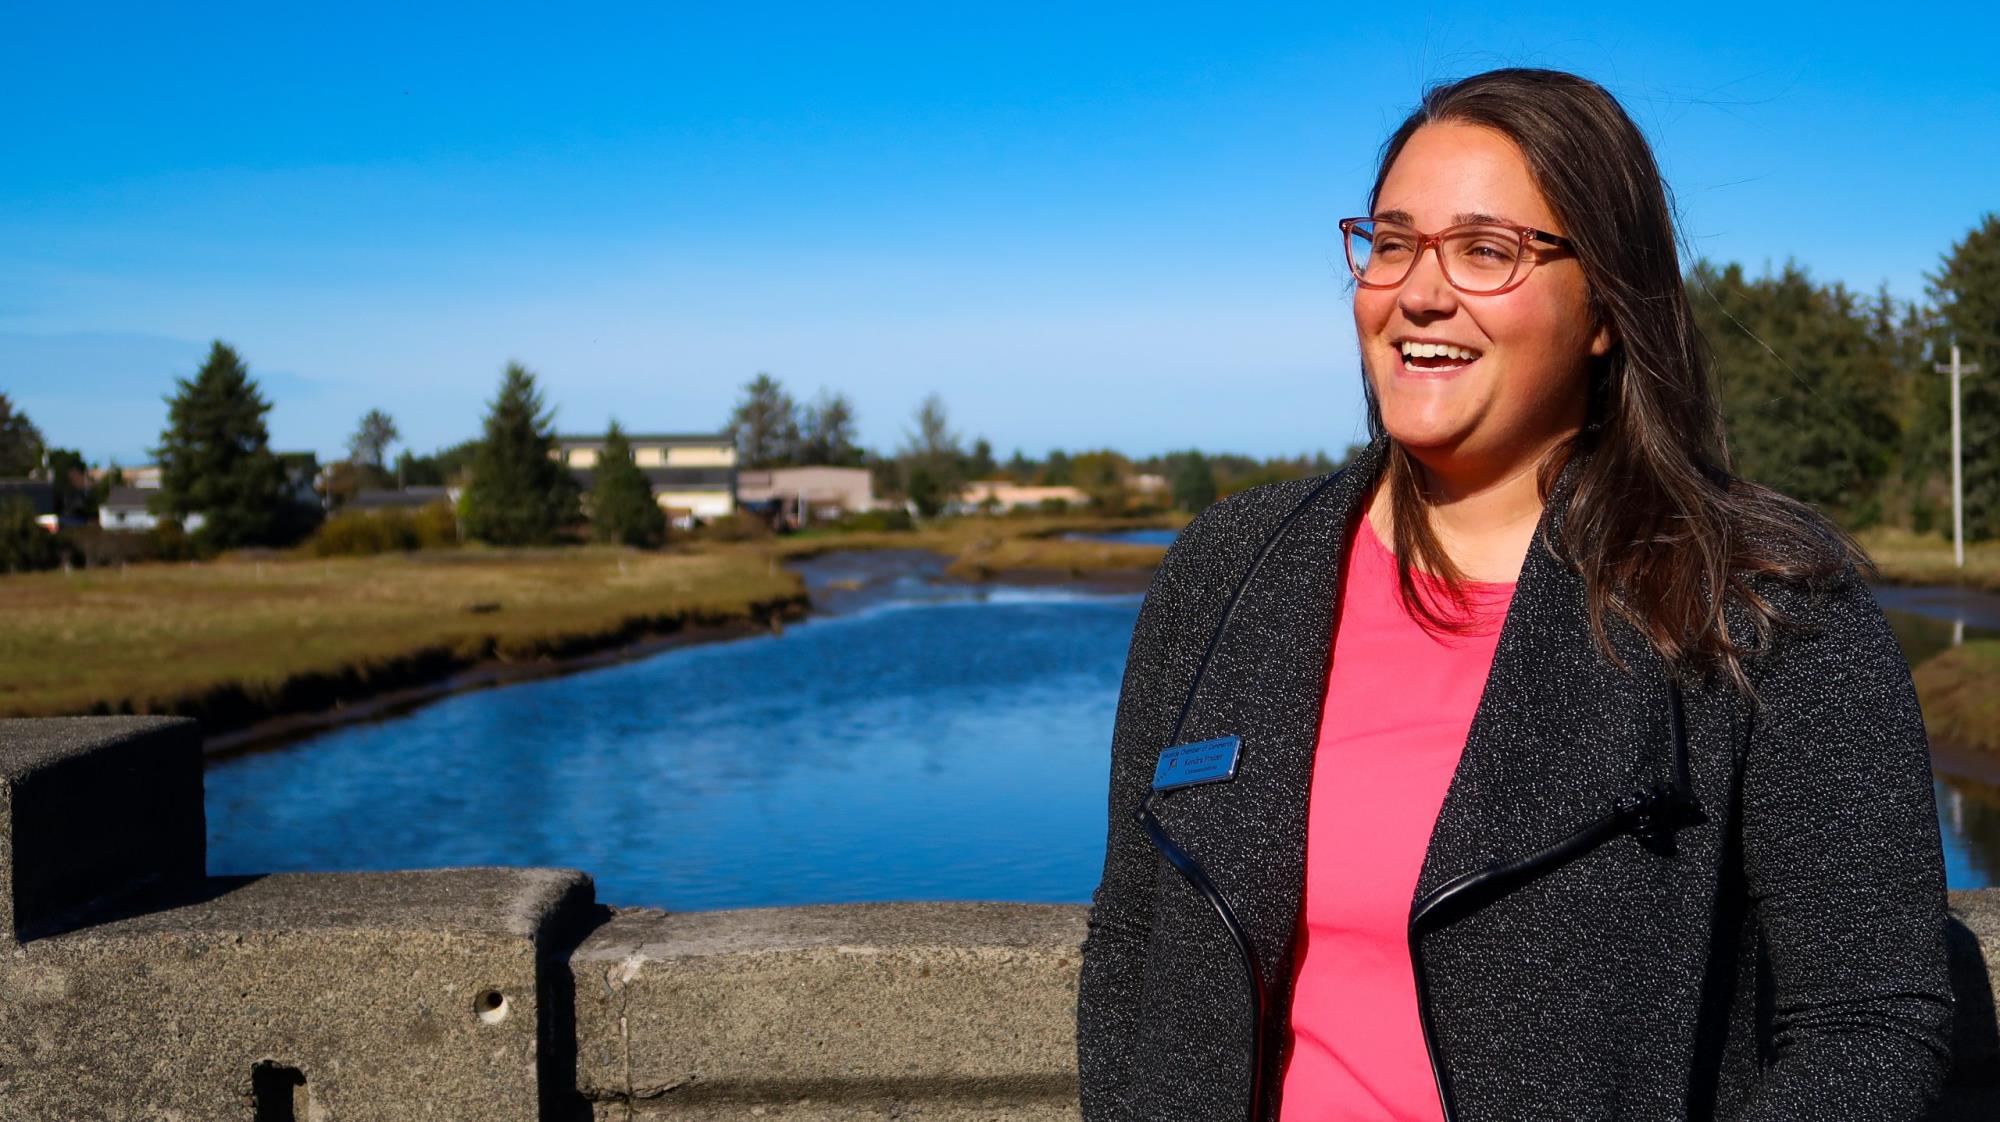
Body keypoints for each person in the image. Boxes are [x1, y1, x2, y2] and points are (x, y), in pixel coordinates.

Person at [1075, 68, 1954, 1122]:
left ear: (1604, 309)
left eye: (1484, 251)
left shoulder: (1762, 603)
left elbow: (1869, 1024)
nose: (1416, 291)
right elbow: (1131, 939)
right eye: (1391, 241)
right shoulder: (1225, 568)